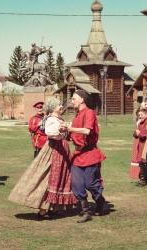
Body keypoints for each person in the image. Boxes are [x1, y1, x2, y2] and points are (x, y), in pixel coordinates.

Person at [8, 98, 77, 220]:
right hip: (54, 150)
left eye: (61, 104)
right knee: (48, 177)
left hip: (63, 150)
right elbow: (50, 133)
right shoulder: (51, 119)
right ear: (52, 107)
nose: (61, 106)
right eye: (59, 105)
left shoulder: (60, 119)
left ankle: (54, 207)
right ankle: (43, 210)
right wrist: (60, 131)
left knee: (60, 177)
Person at [65, 90, 106, 223]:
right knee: (77, 184)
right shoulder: (76, 116)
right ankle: (86, 211)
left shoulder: (90, 113)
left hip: (89, 154)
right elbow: (72, 135)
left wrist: (69, 129)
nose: (72, 101)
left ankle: (99, 200)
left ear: (82, 99)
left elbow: (87, 131)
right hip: (77, 155)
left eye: (74, 99)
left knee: (90, 183)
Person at [132, 108, 147, 186]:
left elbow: (145, 135)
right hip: (140, 145)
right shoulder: (140, 123)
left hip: (145, 145)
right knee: (141, 161)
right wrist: (137, 133)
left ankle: (146, 180)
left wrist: (139, 134)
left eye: (141, 115)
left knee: (145, 161)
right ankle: (143, 179)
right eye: (139, 115)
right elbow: (135, 134)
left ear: (146, 115)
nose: (140, 116)